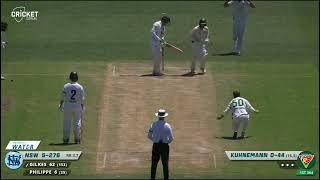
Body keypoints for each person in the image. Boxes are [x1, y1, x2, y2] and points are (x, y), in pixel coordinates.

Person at [59, 72, 85, 144]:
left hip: (67, 106)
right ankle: (77, 140)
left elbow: (62, 97)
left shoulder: (66, 86)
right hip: (77, 106)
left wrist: (61, 105)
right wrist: (82, 107)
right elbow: (82, 99)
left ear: (70, 78)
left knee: (66, 123)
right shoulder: (80, 87)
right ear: (77, 78)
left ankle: (65, 139)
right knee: (77, 123)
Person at [148, 109, 174, 180]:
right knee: (165, 165)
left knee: (154, 165)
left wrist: (155, 140)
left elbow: (149, 136)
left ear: (158, 116)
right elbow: (171, 138)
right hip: (165, 146)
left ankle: (152, 178)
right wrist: (166, 142)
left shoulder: (153, 124)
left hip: (156, 145)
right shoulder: (168, 126)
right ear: (164, 117)